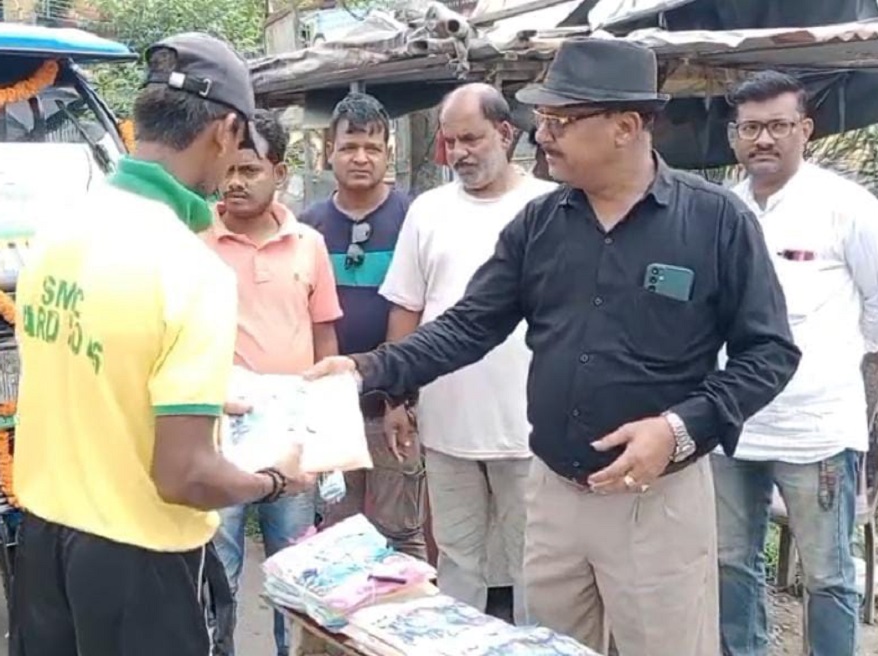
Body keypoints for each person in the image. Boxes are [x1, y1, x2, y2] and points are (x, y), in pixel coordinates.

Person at [305, 38, 802, 656]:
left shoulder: (714, 221)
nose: (542, 135)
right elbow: (469, 326)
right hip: (553, 492)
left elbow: (769, 354)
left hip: (657, 500)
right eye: (542, 119)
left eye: (561, 120)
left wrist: (678, 429)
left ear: (625, 127)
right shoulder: (540, 225)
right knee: (547, 646)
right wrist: (365, 370)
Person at [8, 32, 313, 656]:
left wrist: (200, 402)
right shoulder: (190, 269)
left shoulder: (57, 231)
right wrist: (273, 482)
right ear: (227, 131)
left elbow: (88, 375)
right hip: (140, 563)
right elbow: (185, 476)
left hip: (41, 548)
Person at [716, 70, 878, 656]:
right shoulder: (722, 209)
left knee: (827, 575)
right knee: (730, 562)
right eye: (751, 128)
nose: (763, 139)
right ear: (734, 135)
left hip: (817, 431)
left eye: (778, 125)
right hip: (733, 425)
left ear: (805, 129)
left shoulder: (846, 208)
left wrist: (831, 354)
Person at [378, 83, 555, 618]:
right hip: (447, 424)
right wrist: (397, 398)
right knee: (456, 558)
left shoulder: (550, 206)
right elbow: (406, 307)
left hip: (530, 429)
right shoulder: (428, 210)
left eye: (471, 139)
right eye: (450, 141)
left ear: (505, 133)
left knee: (534, 564)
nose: (459, 153)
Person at [201, 108, 343, 656]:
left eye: (251, 169)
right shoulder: (195, 238)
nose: (236, 182)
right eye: (229, 169)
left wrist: (327, 434)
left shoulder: (308, 243)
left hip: (290, 435)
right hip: (218, 432)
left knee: (293, 567)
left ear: (279, 172)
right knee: (219, 566)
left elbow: (324, 337)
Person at [299, 93, 429, 560]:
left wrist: (401, 398)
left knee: (401, 534)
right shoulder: (308, 227)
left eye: (372, 148)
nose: (360, 158)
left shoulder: (414, 220)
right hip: (333, 410)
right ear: (328, 151)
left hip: (395, 408)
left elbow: (422, 313)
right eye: (349, 147)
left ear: (387, 154)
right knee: (336, 537)